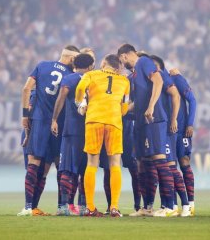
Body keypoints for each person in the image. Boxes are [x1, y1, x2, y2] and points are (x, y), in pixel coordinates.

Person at [17, 45, 79, 216]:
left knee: (35, 164)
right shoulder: (72, 76)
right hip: (60, 125)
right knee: (60, 166)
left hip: (39, 121)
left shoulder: (42, 65)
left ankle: (29, 207)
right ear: (72, 58)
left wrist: (24, 115)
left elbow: (26, 89)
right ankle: (62, 207)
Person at [117, 44, 175, 217]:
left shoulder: (144, 62)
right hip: (141, 122)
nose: (121, 63)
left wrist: (151, 106)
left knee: (159, 159)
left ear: (125, 55)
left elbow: (158, 81)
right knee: (143, 163)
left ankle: (169, 207)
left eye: (121, 59)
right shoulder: (134, 74)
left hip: (154, 118)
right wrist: (119, 111)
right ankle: (147, 207)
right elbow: (136, 102)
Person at [75, 54, 130, 217]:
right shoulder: (125, 81)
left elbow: (79, 90)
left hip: (94, 120)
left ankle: (90, 208)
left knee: (92, 163)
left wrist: (81, 104)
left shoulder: (91, 74)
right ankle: (114, 207)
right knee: (114, 163)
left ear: (104, 63)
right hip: (114, 122)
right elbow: (125, 107)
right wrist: (117, 111)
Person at [50, 53, 95, 216]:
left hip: (71, 130)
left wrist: (54, 119)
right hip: (90, 130)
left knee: (68, 169)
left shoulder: (69, 79)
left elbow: (61, 99)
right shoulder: (94, 79)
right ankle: (83, 207)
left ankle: (63, 206)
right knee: (86, 170)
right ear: (90, 66)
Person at [151, 55, 191, 217]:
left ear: (157, 66)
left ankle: (185, 205)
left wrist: (174, 120)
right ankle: (170, 204)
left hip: (167, 129)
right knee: (164, 167)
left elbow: (179, 97)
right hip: (160, 128)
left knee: (170, 167)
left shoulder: (164, 78)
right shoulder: (154, 80)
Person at [169, 68, 197, 216]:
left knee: (184, 161)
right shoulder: (154, 82)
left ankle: (190, 205)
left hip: (181, 130)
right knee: (169, 166)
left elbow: (192, 99)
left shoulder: (175, 78)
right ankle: (173, 206)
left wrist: (190, 123)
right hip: (167, 131)